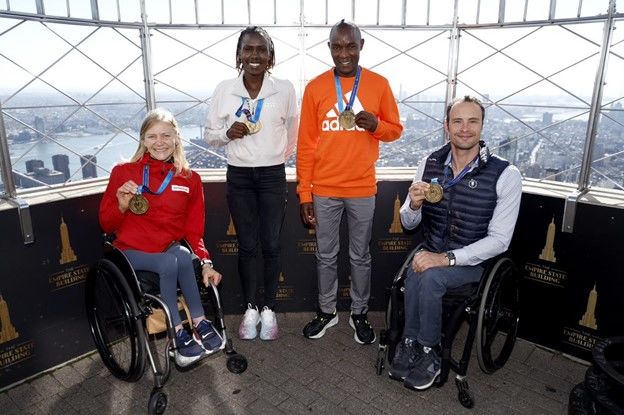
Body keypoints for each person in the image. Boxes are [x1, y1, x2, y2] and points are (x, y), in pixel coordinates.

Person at [388, 96, 523, 391]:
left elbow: (499, 241)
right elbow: (410, 224)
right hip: (432, 253)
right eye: (457, 121)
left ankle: (429, 350)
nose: (465, 129)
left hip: (473, 265)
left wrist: (446, 258)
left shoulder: (506, 174)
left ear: (482, 126)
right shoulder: (429, 162)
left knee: (430, 272)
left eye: (472, 121)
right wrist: (412, 205)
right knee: (417, 267)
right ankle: (410, 343)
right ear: (446, 126)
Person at [297, 20, 403, 344]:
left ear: (361, 45)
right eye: (337, 46)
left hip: (362, 188)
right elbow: (305, 145)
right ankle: (327, 311)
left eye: (350, 45)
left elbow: (395, 130)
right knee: (326, 256)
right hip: (325, 189)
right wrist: (305, 193)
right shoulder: (315, 88)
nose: (344, 53)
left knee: (360, 257)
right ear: (329, 48)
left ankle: (359, 312)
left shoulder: (379, 84)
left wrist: (376, 125)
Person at [99, 108, 224, 367]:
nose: (159, 142)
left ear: (177, 138)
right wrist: (121, 204)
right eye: (152, 136)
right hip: (129, 251)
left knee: (181, 254)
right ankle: (177, 334)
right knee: (170, 261)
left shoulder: (190, 179)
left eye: (166, 135)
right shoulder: (123, 172)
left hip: (167, 249)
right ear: (143, 140)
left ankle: (199, 322)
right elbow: (106, 223)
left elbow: (193, 231)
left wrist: (206, 262)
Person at [204, 26, 298, 341]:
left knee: (270, 245)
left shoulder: (284, 89)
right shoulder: (223, 89)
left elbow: (293, 132)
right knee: (246, 246)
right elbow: (209, 135)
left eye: (261, 50)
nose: (254, 55)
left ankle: (268, 309)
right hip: (239, 176)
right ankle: (250, 309)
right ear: (239, 55)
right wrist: (227, 134)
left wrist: (272, 157)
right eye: (248, 49)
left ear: (270, 57)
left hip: (272, 175)